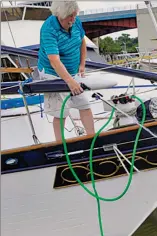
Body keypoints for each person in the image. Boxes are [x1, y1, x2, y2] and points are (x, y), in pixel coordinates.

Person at [37, 1, 95, 141]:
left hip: (73, 71)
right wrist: (70, 81)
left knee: (84, 105)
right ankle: (60, 145)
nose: (73, 19)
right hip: (53, 73)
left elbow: (82, 41)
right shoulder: (48, 29)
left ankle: (93, 139)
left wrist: (82, 64)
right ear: (60, 15)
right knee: (61, 112)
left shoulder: (75, 22)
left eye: (74, 15)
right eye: (70, 16)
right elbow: (54, 60)